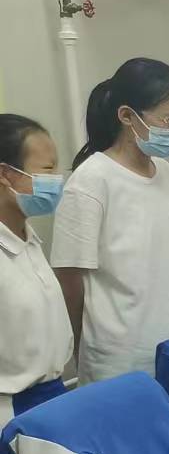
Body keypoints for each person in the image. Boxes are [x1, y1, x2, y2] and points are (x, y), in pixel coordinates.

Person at [52, 59, 169, 382]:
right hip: (123, 359)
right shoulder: (91, 180)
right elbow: (69, 278)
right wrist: (81, 349)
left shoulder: (166, 173)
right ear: (126, 116)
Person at [0, 115, 74, 424]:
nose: (56, 180)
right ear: (5, 174)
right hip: (14, 410)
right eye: (47, 169)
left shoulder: (28, 240)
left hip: (53, 395)